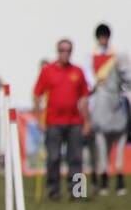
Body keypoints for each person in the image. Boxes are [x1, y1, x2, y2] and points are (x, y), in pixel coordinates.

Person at [33, 38, 90, 200]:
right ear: (57, 51)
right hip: (53, 123)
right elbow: (37, 94)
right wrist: (39, 118)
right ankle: (53, 191)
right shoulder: (47, 71)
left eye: (68, 50)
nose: (65, 53)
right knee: (53, 158)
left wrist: (87, 121)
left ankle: (77, 192)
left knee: (76, 158)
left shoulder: (78, 72)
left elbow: (84, 98)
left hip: (75, 123)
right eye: (62, 50)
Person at [89, 23, 130, 195]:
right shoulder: (92, 54)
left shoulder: (116, 55)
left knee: (126, 103)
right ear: (98, 38)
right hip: (99, 89)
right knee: (90, 104)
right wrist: (95, 83)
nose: (103, 39)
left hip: (115, 91)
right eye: (101, 36)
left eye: (105, 36)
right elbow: (89, 73)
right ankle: (99, 180)